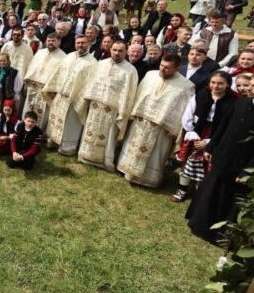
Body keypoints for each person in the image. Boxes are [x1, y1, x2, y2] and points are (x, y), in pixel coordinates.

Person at [116, 54, 194, 188]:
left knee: (154, 154)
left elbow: (184, 109)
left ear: (177, 68)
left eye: (167, 68)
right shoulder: (150, 75)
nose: (162, 70)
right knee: (133, 146)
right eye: (161, 65)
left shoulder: (187, 86)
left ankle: (147, 179)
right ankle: (126, 171)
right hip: (141, 121)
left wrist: (176, 129)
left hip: (162, 128)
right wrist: (132, 114)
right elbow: (140, 93)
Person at [186, 95, 254, 244]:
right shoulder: (242, 102)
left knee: (227, 198)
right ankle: (199, 223)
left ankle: (218, 235)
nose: (250, 88)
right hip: (223, 155)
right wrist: (211, 148)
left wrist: (247, 171)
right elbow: (224, 126)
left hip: (241, 166)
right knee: (210, 191)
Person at [171, 71, 236, 202]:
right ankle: (181, 190)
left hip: (216, 135)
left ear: (227, 84)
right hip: (196, 132)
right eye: (213, 82)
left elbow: (229, 124)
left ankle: (200, 195)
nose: (216, 86)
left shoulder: (232, 102)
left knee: (207, 165)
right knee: (189, 161)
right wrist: (193, 133)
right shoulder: (200, 95)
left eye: (220, 83)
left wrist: (210, 141)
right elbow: (188, 115)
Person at [77, 41, 138, 171]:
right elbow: (92, 82)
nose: (117, 53)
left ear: (126, 52)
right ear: (110, 50)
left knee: (109, 136)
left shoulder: (130, 70)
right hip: (96, 105)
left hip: (113, 109)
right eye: (115, 50)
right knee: (90, 129)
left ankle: (105, 160)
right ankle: (85, 155)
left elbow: (129, 93)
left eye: (120, 51)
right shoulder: (101, 64)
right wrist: (88, 98)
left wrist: (123, 111)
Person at [42, 35, 96, 155]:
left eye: (83, 43)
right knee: (55, 119)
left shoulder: (92, 62)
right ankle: (52, 141)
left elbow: (89, 83)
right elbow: (59, 72)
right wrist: (53, 88)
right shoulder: (69, 56)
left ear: (88, 44)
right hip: (60, 95)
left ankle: (67, 147)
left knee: (69, 123)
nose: (80, 45)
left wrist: (79, 99)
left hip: (74, 99)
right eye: (78, 43)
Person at [21, 33, 65, 131]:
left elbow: (61, 75)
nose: (50, 43)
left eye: (53, 41)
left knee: (43, 111)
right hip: (33, 87)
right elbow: (31, 66)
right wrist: (26, 81)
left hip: (46, 90)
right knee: (29, 108)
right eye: (49, 40)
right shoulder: (40, 52)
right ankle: (24, 129)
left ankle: (38, 132)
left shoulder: (63, 57)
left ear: (59, 42)